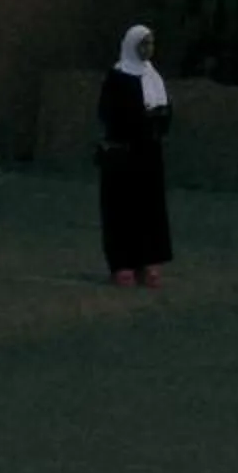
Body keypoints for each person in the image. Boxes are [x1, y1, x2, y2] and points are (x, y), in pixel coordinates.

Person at [98, 24, 174, 288]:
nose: (147, 49)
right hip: (123, 154)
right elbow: (109, 114)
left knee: (149, 209)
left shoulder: (154, 77)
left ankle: (148, 261)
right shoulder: (118, 77)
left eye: (150, 44)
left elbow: (165, 110)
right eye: (143, 44)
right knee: (122, 209)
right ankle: (123, 264)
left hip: (149, 155)